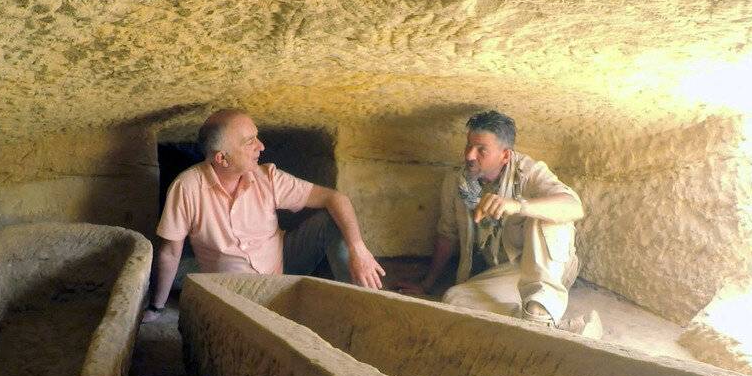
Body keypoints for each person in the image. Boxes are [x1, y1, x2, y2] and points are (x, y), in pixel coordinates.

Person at [143, 108, 384, 322]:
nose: (261, 146)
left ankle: (362, 307)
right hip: (234, 286)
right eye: (250, 141)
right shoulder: (187, 188)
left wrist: (358, 249)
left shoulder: (267, 177)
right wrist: (156, 307)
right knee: (183, 275)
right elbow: (170, 252)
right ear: (221, 158)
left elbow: (336, 198)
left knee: (330, 221)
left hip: (282, 265)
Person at [400, 110, 589, 329]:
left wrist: (518, 206)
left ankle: (540, 309)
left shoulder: (529, 172)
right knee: (454, 299)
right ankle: (544, 325)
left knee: (547, 214)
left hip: (548, 270)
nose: (470, 155)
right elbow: (447, 234)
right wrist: (427, 284)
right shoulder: (456, 181)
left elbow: (573, 206)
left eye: (481, 150)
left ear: (505, 155)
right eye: (469, 145)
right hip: (508, 272)